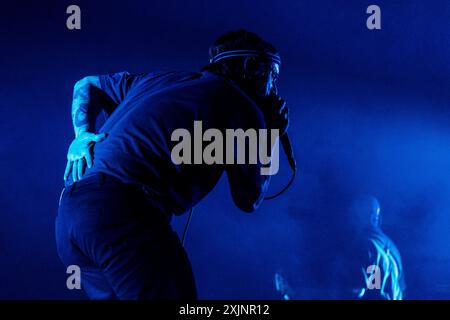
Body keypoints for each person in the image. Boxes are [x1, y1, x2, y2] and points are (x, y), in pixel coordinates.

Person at [55, 29, 290, 299]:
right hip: (122, 214)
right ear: (251, 67)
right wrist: (270, 129)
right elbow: (250, 198)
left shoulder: (158, 80)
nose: (274, 89)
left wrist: (82, 135)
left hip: (71, 216)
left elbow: (86, 84)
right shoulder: (243, 106)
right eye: (273, 76)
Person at [347, 195, 406, 300]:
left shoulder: (363, 246)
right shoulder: (393, 248)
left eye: (354, 216)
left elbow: (357, 291)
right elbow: (401, 288)